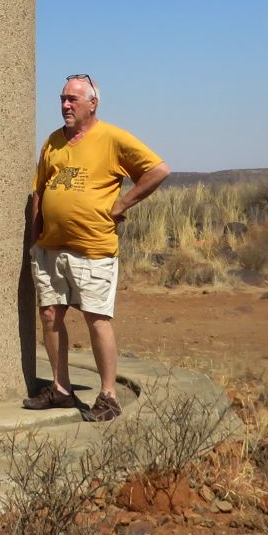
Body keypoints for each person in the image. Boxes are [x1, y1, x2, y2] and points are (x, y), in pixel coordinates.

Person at [26, 74, 169, 422]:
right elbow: (39, 191)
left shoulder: (113, 138)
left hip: (93, 248)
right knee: (50, 315)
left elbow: (158, 170)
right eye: (62, 98)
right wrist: (34, 238)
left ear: (93, 103)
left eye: (73, 99)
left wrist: (122, 204)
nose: (65, 105)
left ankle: (108, 396)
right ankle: (61, 388)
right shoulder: (53, 142)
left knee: (96, 319)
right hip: (50, 249)